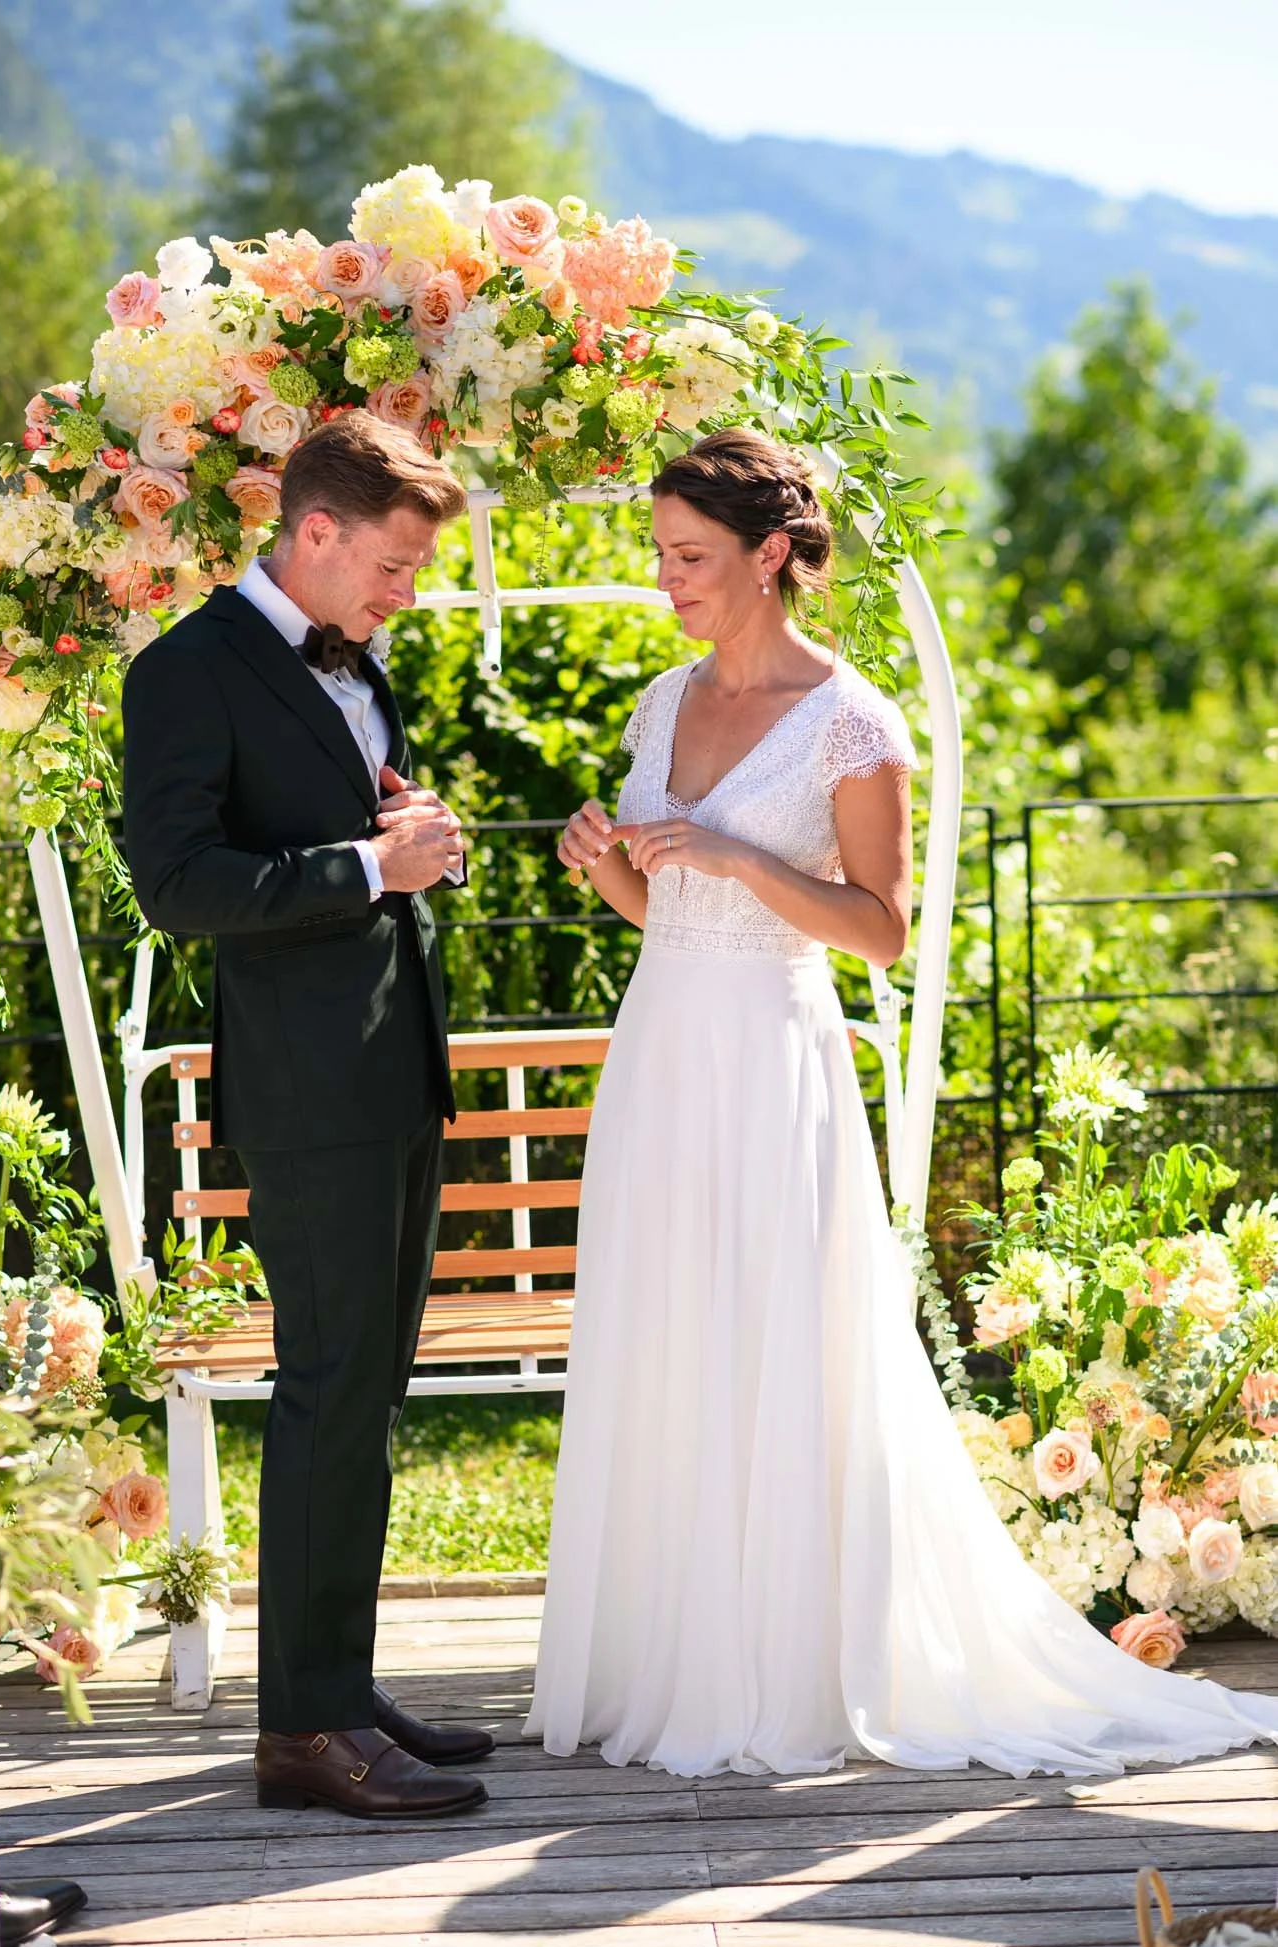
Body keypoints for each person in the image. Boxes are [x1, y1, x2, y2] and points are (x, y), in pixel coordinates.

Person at [526, 426, 1278, 1780]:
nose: (666, 578)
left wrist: (739, 862)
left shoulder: (854, 721)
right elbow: (660, 910)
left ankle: (790, 1665)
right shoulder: (658, 704)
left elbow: (878, 930)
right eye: (657, 553)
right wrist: (610, 864)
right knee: (670, 1329)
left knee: (774, 1335)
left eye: (690, 556)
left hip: (772, 1057)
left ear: (770, 556)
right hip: (664, 1049)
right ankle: (671, 1652)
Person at [124, 411, 492, 1818]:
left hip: (394, 1072)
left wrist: (408, 834)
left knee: (368, 1396)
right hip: (309, 1090)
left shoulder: (353, 660)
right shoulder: (188, 673)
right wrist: (366, 866)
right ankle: (300, 1736)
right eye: (393, 567)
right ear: (315, 530)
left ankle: (337, 1684)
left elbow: (356, 831)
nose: (406, 593)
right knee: (331, 1389)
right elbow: (184, 885)